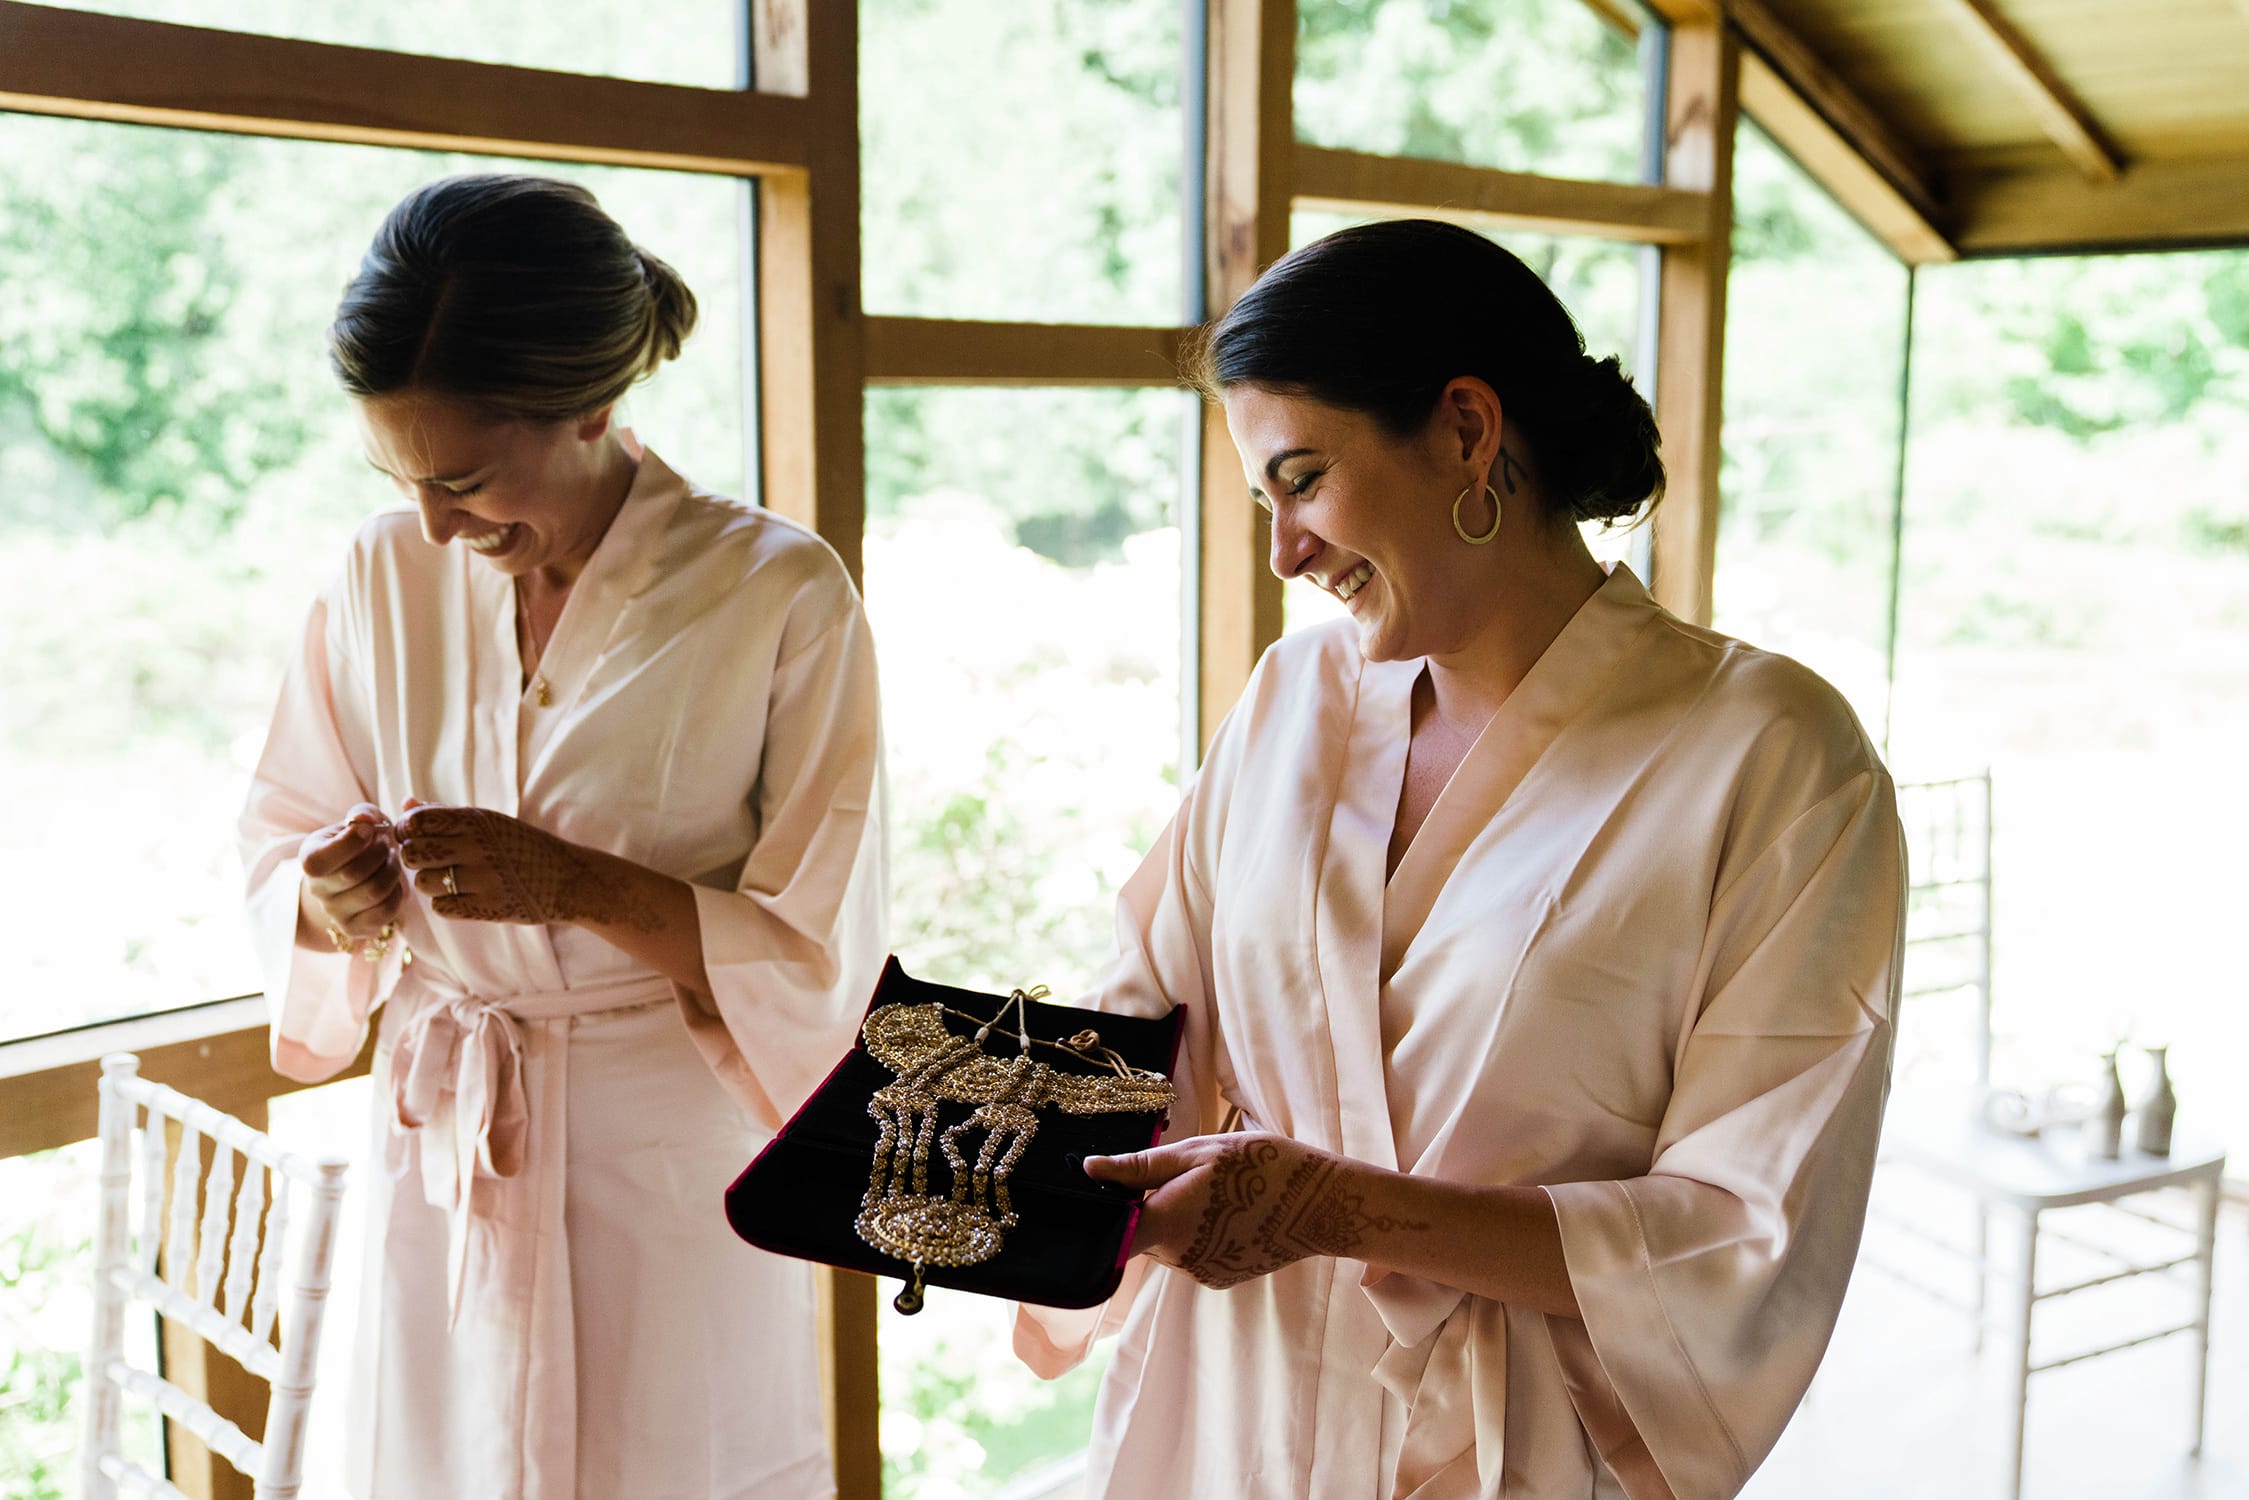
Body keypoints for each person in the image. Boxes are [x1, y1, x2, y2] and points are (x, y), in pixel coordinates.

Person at [1014, 219, 1904, 1500]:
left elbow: (1741, 1228)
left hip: (1512, 1444)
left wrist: (1334, 1210)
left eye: (1303, 479)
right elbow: (1141, 1010)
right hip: (1222, 1419)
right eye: (1263, 499)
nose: (1282, 551)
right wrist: (938, 1124)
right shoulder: (1287, 699)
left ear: (1468, 431)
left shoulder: (1768, 758)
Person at [238, 174, 887, 1500]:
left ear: (593, 405)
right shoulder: (377, 573)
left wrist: (576, 886)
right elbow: (281, 832)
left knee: (673, 1464)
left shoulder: (774, 593)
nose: (432, 524)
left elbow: (823, 942)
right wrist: (328, 897)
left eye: (466, 480)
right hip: (444, 1128)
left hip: (663, 1148)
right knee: (437, 1458)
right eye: (402, 479)